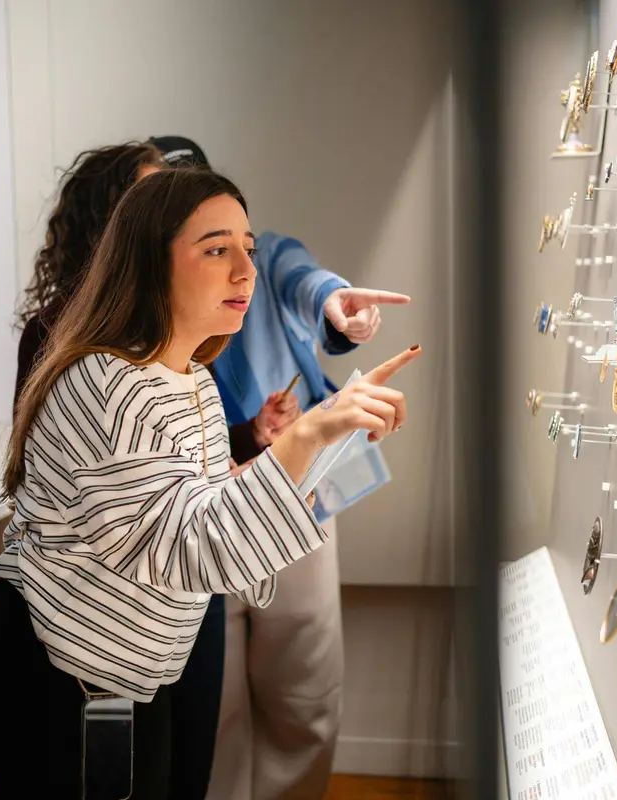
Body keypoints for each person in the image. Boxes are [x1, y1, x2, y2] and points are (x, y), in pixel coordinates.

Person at [0, 166, 420, 798]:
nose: (246, 271)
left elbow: (208, 507)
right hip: (53, 672)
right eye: (216, 250)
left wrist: (325, 433)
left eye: (247, 249)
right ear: (151, 261)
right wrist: (309, 435)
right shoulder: (106, 381)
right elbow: (186, 545)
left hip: (121, 676)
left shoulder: (191, 379)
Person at [7, 142, 299, 798]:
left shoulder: (182, 349)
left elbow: (173, 460)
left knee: (181, 762)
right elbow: (105, 484)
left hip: (174, 599)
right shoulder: (77, 346)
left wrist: (253, 442)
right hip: (102, 616)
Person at [148, 136, 412, 800]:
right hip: (200, 521)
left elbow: (306, 280)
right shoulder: (144, 295)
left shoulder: (258, 263)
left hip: (298, 507)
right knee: (216, 706)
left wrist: (337, 306)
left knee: (305, 690)